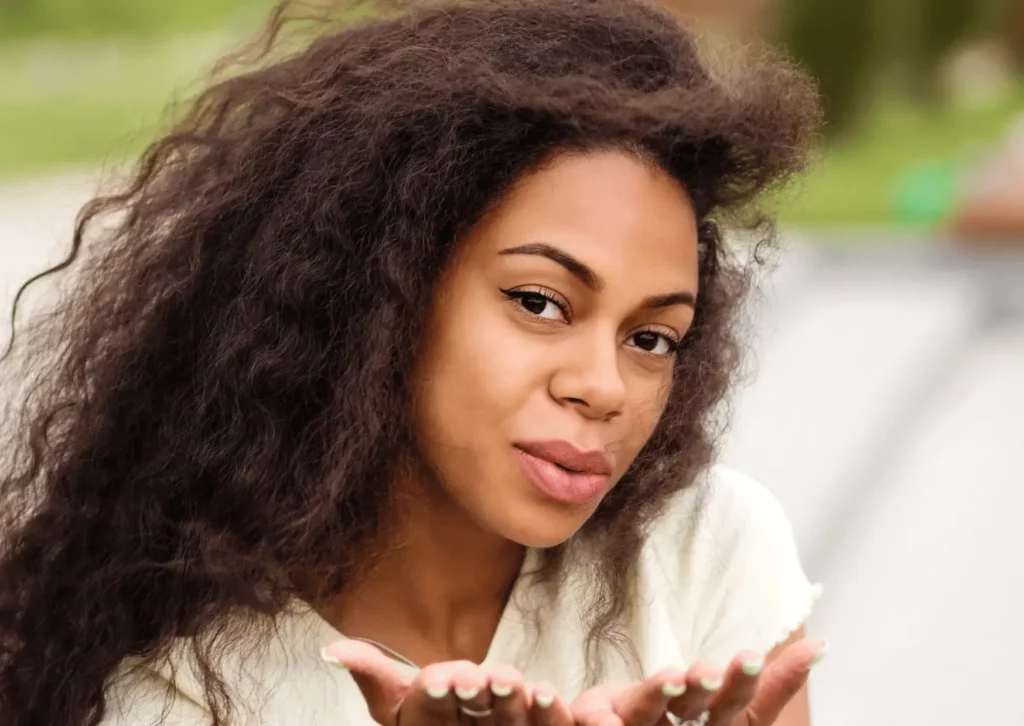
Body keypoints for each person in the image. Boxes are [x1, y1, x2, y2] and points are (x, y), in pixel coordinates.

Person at [0, 0, 825, 724]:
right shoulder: (183, 689)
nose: (603, 388)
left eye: (651, 339)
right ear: (383, 298)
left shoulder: (703, 556)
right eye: (539, 302)